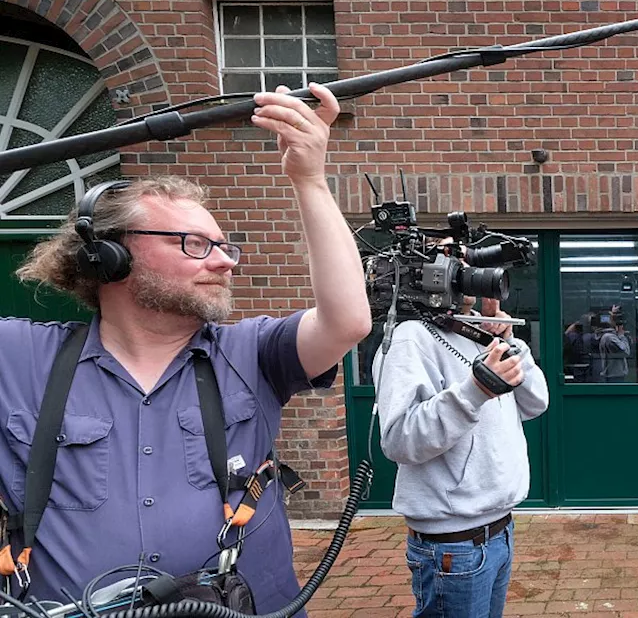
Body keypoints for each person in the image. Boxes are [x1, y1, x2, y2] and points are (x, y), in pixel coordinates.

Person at [0, 83, 370, 613]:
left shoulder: (252, 355)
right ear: (110, 255)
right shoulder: (18, 358)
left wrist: (309, 178)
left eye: (223, 246)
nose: (224, 262)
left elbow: (348, 320)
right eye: (194, 244)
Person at [373, 276, 549, 618]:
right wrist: (475, 391)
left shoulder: (475, 333)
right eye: (459, 264)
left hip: (499, 529)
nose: (473, 277)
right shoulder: (412, 337)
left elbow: (536, 402)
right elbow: (398, 439)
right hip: (453, 543)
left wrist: (505, 338)